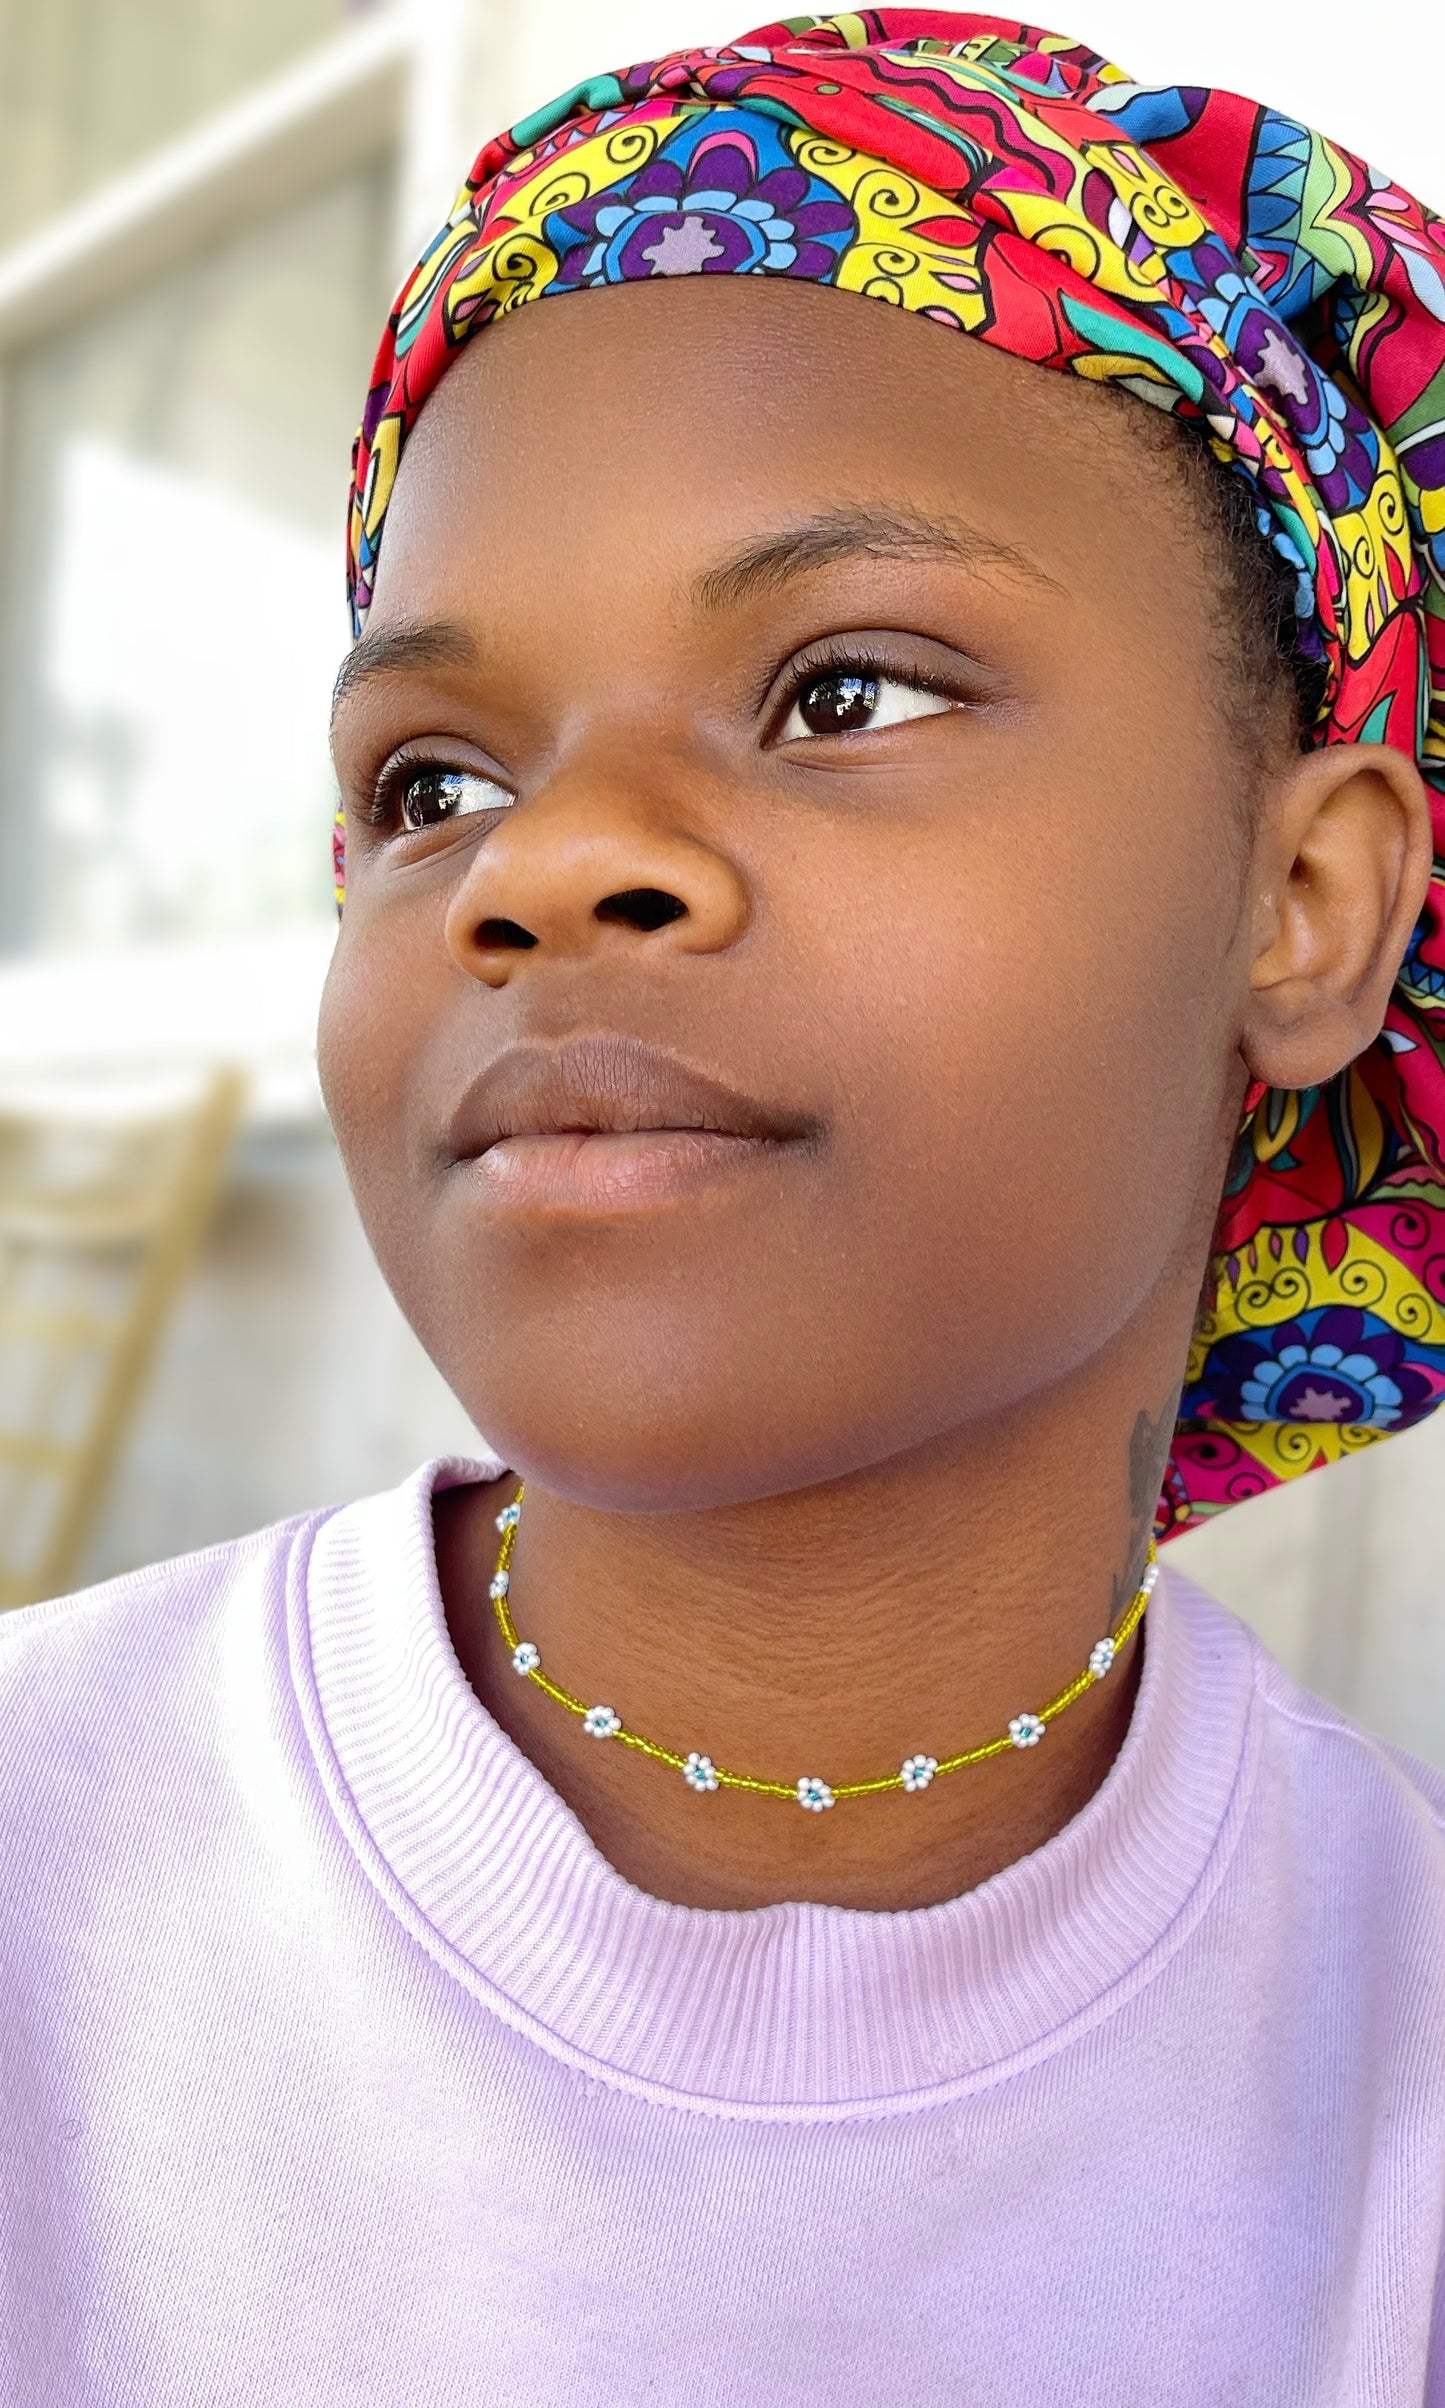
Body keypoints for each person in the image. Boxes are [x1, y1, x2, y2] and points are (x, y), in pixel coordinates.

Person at [4, 11, 1444, 2401]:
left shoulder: (1392, 2085)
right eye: (437, 772)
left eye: (846, 695)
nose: (548, 865)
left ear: (1302, 901)